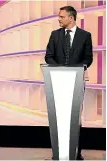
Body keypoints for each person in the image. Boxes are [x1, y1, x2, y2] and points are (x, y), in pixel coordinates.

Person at [45, 6, 93, 160]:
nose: (59, 19)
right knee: (59, 117)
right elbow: (49, 56)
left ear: (71, 18)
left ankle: (75, 152)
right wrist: (60, 71)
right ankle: (58, 153)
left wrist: (75, 70)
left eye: (61, 16)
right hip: (58, 81)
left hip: (76, 82)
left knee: (75, 117)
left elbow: (88, 58)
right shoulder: (55, 35)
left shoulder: (85, 35)